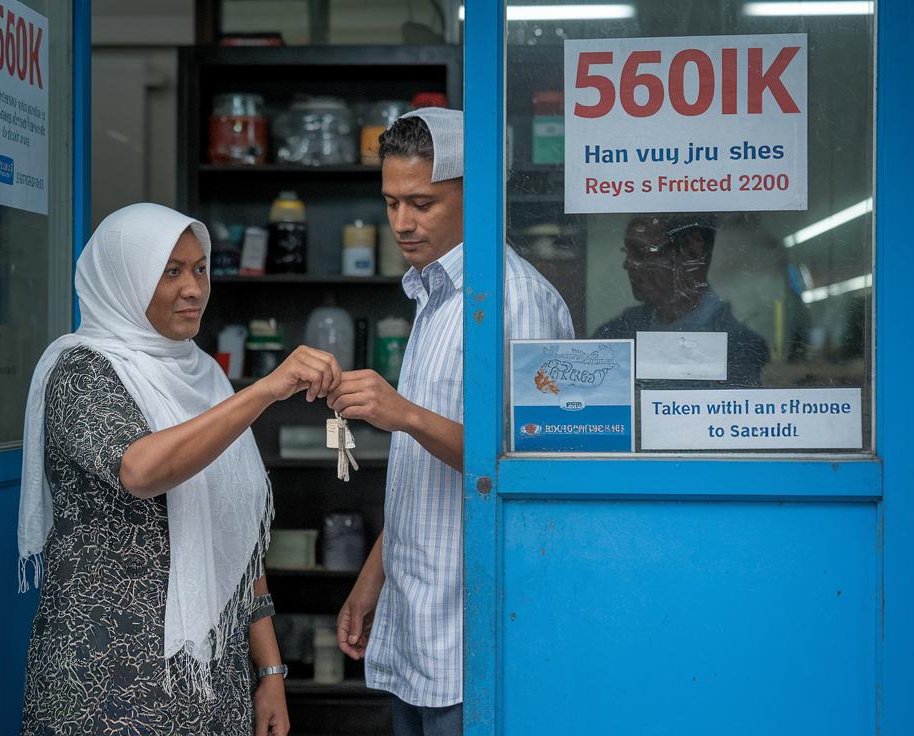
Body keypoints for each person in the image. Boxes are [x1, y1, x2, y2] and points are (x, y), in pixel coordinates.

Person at [17, 203, 343, 735]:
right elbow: (142, 469)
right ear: (124, 278)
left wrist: (271, 669)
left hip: (211, 680)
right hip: (108, 681)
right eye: (170, 271)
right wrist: (264, 390)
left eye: (199, 268)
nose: (193, 288)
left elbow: (237, 539)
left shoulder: (202, 378)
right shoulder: (82, 369)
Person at [327, 109, 574, 736]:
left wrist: (401, 413)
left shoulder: (516, 299)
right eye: (391, 202)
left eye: (422, 203)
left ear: (475, 195)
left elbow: (531, 467)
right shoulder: (432, 295)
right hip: (417, 624)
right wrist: (371, 577)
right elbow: (423, 473)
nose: (402, 223)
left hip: (474, 637)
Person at [594, 214, 769, 387]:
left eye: (641, 252)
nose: (628, 264)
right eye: (628, 253)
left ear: (693, 250)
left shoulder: (740, 348)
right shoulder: (617, 334)